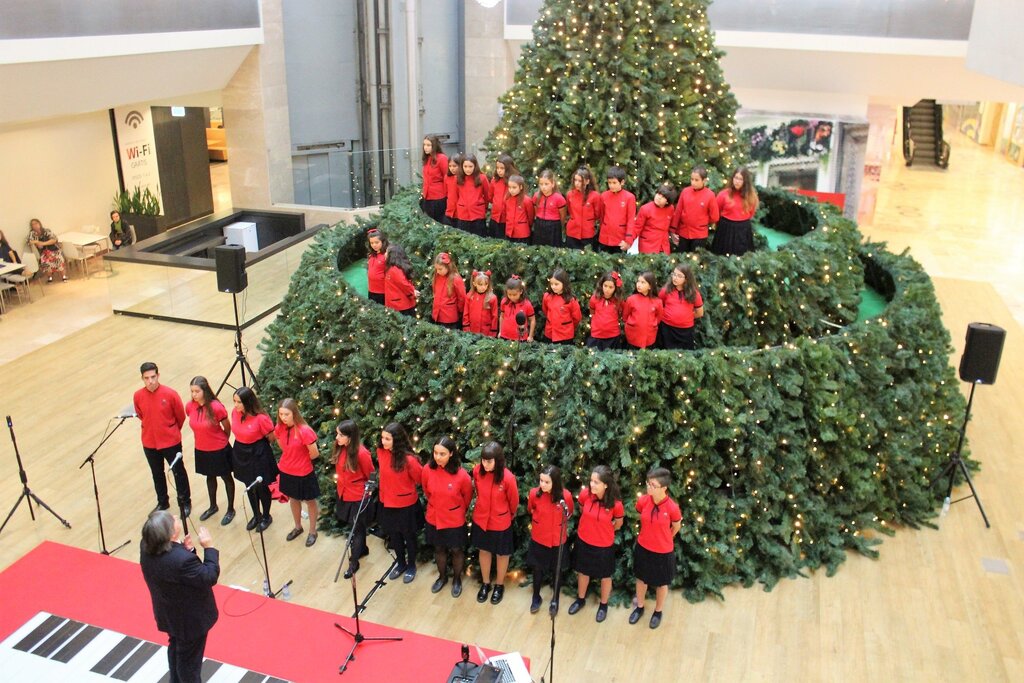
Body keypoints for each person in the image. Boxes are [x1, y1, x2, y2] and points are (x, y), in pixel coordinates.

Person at [140, 510, 219, 683]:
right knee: (189, 664)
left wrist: (187, 550)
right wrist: (209, 548)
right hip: (190, 620)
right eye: (172, 520)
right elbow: (208, 576)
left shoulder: (146, 547)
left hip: (169, 613)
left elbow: (178, 572)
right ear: (169, 533)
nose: (176, 517)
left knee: (176, 648)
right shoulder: (181, 560)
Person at [133, 362, 191, 516]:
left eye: (153, 377)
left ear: (158, 376)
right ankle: (163, 502)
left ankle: (185, 502)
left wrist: (171, 430)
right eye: (147, 378)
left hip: (170, 441)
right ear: (142, 379)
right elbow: (141, 415)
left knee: (178, 472)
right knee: (157, 473)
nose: (150, 381)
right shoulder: (138, 396)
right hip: (149, 442)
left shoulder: (170, 394)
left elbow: (180, 415)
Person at [567, 465, 623, 622]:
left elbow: (618, 523)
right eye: (591, 481)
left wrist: (604, 530)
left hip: (604, 546)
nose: (592, 485)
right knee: (583, 572)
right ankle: (580, 599)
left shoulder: (616, 505)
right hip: (584, 541)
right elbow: (581, 507)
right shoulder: (585, 495)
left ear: (606, 485)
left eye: (596, 482)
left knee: (605, 576)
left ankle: (603, 605)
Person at [630, 467, 682, 630]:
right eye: (648, 483)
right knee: (641, 579)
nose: (648, 487)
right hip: (643, 547)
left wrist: (664, 538)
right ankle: (639, 606)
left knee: (661, 583)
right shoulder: (644, 500)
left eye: (653, 485)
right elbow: (641, 516)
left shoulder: (672, 508)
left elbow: (676, 526)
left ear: (664, 488)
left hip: (663, 552)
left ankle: (658, 612)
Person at [421, 436, 472, 597]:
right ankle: (442, 577)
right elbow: (427, 491)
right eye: (435, 452)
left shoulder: (462, 475)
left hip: (454, 520)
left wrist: (455, 510)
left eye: (442, 454)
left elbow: (467, 497)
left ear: (451, 454)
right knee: (439, 548)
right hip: (434, 518)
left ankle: (457, 579)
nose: (437, 457)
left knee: (456, 550)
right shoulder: (427, 470)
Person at [471, 441, 519, 605]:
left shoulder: (508, 478)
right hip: (481, 519)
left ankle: (499, 585)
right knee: (484, 551)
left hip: (500, 522)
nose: (485, 464)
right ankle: (486, 583)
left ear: (497, 461)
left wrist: (507, 515)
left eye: (489, 461)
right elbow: (477, 490)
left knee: (501, 554)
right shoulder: (477, 471)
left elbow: (514, 502)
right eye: (483, 460)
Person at [377, 422, 423, 583]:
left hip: (405, 506)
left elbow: (419, 478)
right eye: (383, 438)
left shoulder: (409, 460)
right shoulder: (381, 452)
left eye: (387, 439)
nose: (383, 442)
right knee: (394, 536)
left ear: (396, 440)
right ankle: (401, 563)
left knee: (409, 537)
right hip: (387, 503)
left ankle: (411, 565)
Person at [185, 376, 235, 526]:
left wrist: (222, 440)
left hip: (219, 449)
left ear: (204, 391)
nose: (194, 394)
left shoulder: (216, 407)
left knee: (226, 478)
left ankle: (231, 509)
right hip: (201, 448)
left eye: (197, 391)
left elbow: (227, 427)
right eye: (192, 391)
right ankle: (213, 506)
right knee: (210, 477)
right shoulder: (190, 406)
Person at [526, 464, 574, 615]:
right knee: (537, 569)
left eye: (547, 482)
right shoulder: (535, 494)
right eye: (541, 480)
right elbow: (531, 508)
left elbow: (569, 512)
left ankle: (555, 599)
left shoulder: (565, 496)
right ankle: (536, 596)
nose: (543, 484)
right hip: (539, 539)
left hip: (557, 541)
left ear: (555, 482)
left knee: (557, 571)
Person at [332, 419, 375, 579]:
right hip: (344, 492)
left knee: (357, 529)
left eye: (340, 435)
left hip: (358, 496)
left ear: (350, 437)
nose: (337, 437)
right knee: (357, 527)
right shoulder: (341, 448)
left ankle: (354, 561)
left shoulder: (362, 453)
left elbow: (370, 474)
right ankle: (362, 549)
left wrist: (367, 493)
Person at [274, 398, 320, 547]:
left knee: (310, 501)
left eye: (286, 414)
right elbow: (283, 446)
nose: (283, 417)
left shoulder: (304, 431)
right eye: (281, 414)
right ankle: (298, 527)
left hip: (304, 472)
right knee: (293, 499)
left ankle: (312, 531)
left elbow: (314, 453)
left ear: (294, 413)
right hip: (287, 470)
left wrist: (301, 461)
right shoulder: (279, 428)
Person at [230, 386, 277, 532]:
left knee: (261, 487)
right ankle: (257, 515)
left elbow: (271, 437)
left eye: (239, 402)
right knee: (249, 486)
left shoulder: (261, 418)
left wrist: (259, 446)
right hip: (241, 451)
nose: (235, 405)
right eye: (234, 401)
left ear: (248, 402)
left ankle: (266, 516)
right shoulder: (235, 412)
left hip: (258, 453)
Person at [671, 166, 719, 253]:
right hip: (683, 232)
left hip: (699, 235)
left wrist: (702, 221)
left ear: (704, 181)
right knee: (681, 257)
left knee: (695, 259)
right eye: (692, 179)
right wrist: (673, 230)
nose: (693, 182)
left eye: (696, 180)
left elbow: (715, 217)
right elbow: (678, 211)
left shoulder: (710, 195)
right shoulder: (685, 191)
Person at [713, 167, 759, 256]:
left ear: (745, 182)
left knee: (742, 256)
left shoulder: (751, 196)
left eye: (741, 179)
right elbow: (716, 211)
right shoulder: (723, 194)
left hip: (743, 230)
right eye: (736, 178)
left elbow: (751, 213)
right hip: (725, 229)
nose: (737, 181)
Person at [658, 263, 704, 350]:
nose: (675, 278)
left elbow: (700, 313)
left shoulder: (694, 293)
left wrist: (685, 317)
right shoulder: (665, 290)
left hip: (686, 331)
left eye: (679, 276)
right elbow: (659, 306)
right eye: (674, 274)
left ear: (686, 279)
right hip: (667, 329)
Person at [629, 183, 677, 254]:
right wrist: (628, 241)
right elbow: (637, 228)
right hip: (648, 245)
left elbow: (672, 223)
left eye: (663, 197)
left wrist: (674, 234)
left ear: (667, 202)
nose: (659, 197)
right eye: (658, 194)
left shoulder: (670, 209)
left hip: (663, 245)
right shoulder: (645, 209)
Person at [597, 167, 636, 253]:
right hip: (605, 238)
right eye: (609, 183)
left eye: (614, 183)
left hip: (620, 239)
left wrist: (628, 240)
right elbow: (602, 216)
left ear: (622, 182)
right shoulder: (604, 196)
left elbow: (630, 220)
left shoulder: (629, 197)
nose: (611, 185)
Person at [622, 271, 663, 350]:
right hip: (633, 337)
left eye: (643, 282)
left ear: (650, 286)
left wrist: (651, 324)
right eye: (638, 281)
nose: (639, 284)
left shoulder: (658, 302)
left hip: (649, 337)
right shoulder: (631, 299)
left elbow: (659, 317)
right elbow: (625, 316)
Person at [565, 166, 602, 250]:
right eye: (575, 180)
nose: (577, 183)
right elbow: (569, 211)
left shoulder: (595, 196)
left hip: (587, 233)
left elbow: (597, 214)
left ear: (587, 181)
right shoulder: (570, 194)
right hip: (572, 233)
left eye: (580, 181)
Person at [541, 268, 582, 345]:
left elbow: (577, 318)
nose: (553, 286)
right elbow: (545, 310)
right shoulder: (547, 296)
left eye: (556, 284)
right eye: (551, 284)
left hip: (565, 336)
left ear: (564, 283)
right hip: (550, 333)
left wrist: (567, 327)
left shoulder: (571, 300)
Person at [455, 154, 490, 236]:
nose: (468, 169)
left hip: (478, 215)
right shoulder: (458, 178)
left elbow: (487, 196)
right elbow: (456, 196)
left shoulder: (482, 178)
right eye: (465, 166)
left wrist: (482, 208)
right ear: (461, 166)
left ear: (475, 166)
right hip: (463, 215)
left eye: (470, 166)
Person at [586, 271, 623, 350]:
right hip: (596, 335)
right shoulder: (594, 298)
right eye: (605, 286)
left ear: (615, 288)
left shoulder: (618, 301)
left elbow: (620, 313)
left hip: (613, 336)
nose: (607, 289)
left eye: (611, 287)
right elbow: (592, 311)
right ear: (601, 285)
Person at [531, 169, 567, 247]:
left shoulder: (559, 198)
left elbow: (563, 216)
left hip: (554, 227)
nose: (543, 187)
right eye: (541, 184)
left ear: (553, 184)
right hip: (539, 225)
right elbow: (535, 210)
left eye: (546, 184)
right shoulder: (536, 196)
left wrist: (559, 226)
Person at [431, 252, 466, 330]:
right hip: (437, 315)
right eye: (436, 269)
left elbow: (462, 298)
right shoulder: (437, 276)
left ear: (448, 267)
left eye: (440, 269)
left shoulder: (456, 279)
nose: (437, 271)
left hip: (449, 317)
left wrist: (460, 312)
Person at [488, 154, 519, 240]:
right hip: (495, 218)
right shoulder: (494, 181)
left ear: (508, 169)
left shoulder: (514, 182)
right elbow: (490, 197)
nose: (499, 171)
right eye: (497, 168)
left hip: (508, 221)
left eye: (502, 168)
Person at [497, 276, 536, 342]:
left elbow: (532, 320)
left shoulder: (527, 304)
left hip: (520, 338)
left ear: (521, 291)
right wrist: (500, 331)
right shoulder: (504, 301)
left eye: (514, 295)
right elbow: (502, 317)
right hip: (504, 336)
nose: (512, 297)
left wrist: (530, 336)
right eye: (509, 294)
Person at [27, 218, 67, 282]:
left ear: (39, 223)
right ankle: (50, 277)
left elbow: (54, 240)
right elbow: (30, 242)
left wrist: (43, 243)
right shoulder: (32, 233)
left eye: (36, 223)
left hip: (54, 250)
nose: (35, 225)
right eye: (33, 224)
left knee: (59, 259)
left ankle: (64, 276)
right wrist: (37, 242)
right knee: (45, 262)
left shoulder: (46, 231)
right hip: (43, 252)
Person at [421, 135, 449, 223]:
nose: (425, 147)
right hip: (427, 197)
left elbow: (447, 177)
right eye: (424, 145)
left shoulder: (442, 158)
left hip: (439, 197)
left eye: (428, 145)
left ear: (434, 146)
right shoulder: (427, 158)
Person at [384, 244, 418, 316]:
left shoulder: (395, 269)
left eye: (386, 252)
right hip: (397, 304)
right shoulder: (392, 268)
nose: (385, 254)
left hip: (401, 306)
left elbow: (404, 284)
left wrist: (412, 293)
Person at [463, 270, 499, 337]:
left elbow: (495, 316)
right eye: (480, 284)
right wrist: (466, 329)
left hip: (486, 332)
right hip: (472, 331)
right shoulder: (469, 296)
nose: (483, 287)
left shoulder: (492, 298)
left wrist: (492, 333)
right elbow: (466, 313)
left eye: (486, 284)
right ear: (474, 283)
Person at [501, 175, 534, 243]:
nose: (511, 190)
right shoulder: (506, 199)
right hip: (509, 232)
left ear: (521, 187)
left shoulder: (526, 200)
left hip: (522, 234)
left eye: (514, 187)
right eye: (509, 187)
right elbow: (505, 213)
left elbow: (530, 216)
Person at [366, 228, 389, 305]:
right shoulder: (371, 255)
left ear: (383, 241)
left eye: (377, 242)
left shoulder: (386, 255)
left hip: (382, 291)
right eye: (372, 243)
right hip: (371, 290)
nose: (374, 245)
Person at [444, 154, 463, 227]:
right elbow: (446, 193)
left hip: (460, 212)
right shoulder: (447, 177)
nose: (452, 168)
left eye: (454, 166)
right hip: (449, 211)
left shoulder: (462, 178)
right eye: (450, 166)